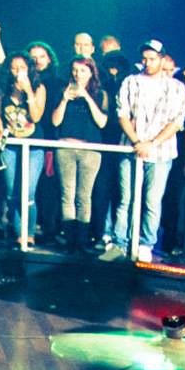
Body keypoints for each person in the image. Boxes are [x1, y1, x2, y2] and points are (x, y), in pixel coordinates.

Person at [104, 40, 185, 264]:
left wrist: (152, 143)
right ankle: (119, 243)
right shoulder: (130, 82)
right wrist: (137, 141)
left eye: (153, 59)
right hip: (131, 149)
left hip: (161, 153)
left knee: (152, 201)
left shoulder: (176, 87)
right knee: (126, 199)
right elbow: (122, 114)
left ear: (162, 59)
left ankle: (145, 244)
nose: (148, 63)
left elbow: (176, 122)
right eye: (145, 59)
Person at [51, 56, 111, 253]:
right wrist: (64, 100)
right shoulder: (62, 92)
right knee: (67, 194)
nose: (78, 74)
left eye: (83, 70)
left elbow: (102, 122)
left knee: (84, 196)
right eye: (75, 70)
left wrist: (86, 97)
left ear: (91, 73)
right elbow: (55, 121)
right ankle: (69, 240)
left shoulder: (100, 94)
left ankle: (82, 240)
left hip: (90, 150)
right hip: (65, 148)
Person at [0, 53, 48, 247]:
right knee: (12, 191)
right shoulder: (4, 89)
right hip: (10, 146)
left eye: (23, 67)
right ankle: (18, 232)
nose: (18, 72)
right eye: (14, 67)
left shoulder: (38, 88)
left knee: (28, 191)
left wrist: (28, 92)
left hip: (33, 146)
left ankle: (29, 233)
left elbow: (36, 116)